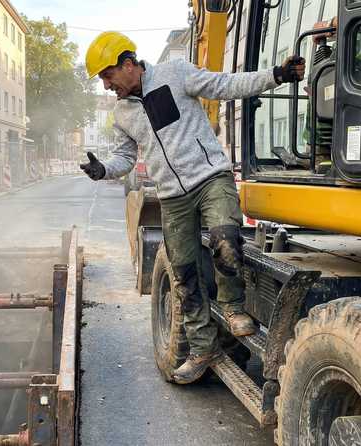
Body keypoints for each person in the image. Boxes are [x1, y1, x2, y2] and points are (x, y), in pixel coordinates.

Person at [80, 32, 305, 384]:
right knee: (184, 275)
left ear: (127, 64)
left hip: (210, 177)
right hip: (172, 196)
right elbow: (125, 156)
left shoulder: (176, 74)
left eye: (108, 76)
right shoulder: (122, 114)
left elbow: (226, 85)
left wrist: (275, 75)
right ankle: (202, 348)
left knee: (225, 239)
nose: (108, 86)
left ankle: (232, 308)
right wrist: (103, 169)